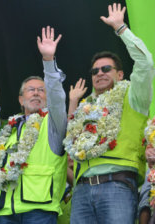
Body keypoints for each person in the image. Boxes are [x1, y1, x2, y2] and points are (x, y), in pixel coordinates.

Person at [63, 3, 154, 224]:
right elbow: (71, 145)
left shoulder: (133, 97)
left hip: (117, 186)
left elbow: (145, 63)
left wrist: (121, 28)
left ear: (120, 74)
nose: (99, 74)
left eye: (106, 69)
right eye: (95, 71)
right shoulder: (87, 107)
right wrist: (73, 103)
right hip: (82, 190)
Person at [0, 26, 67, 224]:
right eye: (31, 90)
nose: (37, 93)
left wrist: (48, 60)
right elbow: (1, 162)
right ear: (21, 99)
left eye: (42, 90)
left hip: (39, 208)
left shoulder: (54, 123)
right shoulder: (10, 127)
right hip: (4, 209)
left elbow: (57, 97)